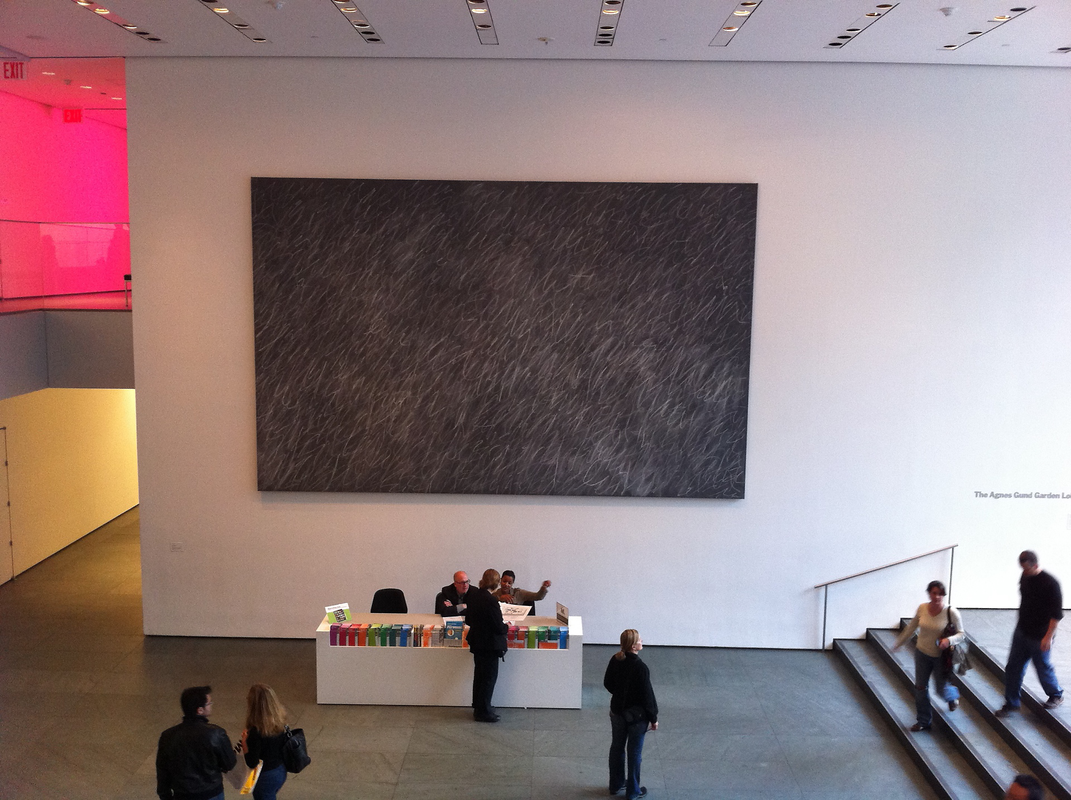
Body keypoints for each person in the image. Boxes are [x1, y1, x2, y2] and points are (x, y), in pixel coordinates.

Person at [997, 550, 1064, 716]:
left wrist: (1048, 637)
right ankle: (1011, 703)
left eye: (1027, 569)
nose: (1024, 572)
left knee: (1042, 667)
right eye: (1022, 569)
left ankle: (1055, 694)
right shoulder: (1025, 577)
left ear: (1035, 565)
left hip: (1040, 635)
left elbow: (1056, 615)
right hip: (1022, 631)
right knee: (1013, 667)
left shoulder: (1051, 584)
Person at [893, 580, 965, 732]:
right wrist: (899, 643)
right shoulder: (922, 608)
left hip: (940, 657)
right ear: (929, 593)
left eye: (940, 594)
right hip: (922, 654)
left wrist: (948, 640)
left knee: (940, 689)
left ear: (943, 595)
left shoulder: (951, 612)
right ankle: (923, 721)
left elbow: (961, 634)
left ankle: (952, 696)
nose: (937, 597)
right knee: (920, 687)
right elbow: (911, 627)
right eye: (934, 593)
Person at [156, 685, 237, 800]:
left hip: (182, 795)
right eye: (209, 703)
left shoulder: (167, 736)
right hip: (211, 793)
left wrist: (165, 796)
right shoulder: (216, 734)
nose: (211, 705)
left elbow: (162, 771)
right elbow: (229, 764)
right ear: (200, 710)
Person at [604, 629, 658, 800]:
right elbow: (647, 696)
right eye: (639, 640)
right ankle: (633, 791)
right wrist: (653, 718)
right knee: (634, 753)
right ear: (633, 646)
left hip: (617, 712)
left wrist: (620, 695)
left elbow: (608, 683)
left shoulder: (615, 659)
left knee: (617, 747)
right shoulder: (640, 667)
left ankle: (616, 784)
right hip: (637, 718)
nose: (642, 641)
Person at [464, 568, 509, 722]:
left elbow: (468, 620)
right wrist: (507, 627)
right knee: (489, 678)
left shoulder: (474, 596)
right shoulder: (491, 601)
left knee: (479, 676)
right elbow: (498, 626)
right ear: (496, 583)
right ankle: (484, 711)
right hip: (489, 645)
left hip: (477, 642)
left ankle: (479, 706)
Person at [242, 683, 290, 800]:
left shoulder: (256, 731)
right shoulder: (279, 721)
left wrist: (244, 743)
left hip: (265, 776)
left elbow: (252, 762)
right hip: (280, 770)